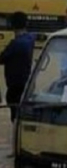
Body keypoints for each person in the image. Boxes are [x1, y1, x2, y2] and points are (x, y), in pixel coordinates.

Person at [0, 12, 35, 157]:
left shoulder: (16, 44)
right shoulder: (30, 39)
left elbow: (1, 58)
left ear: (13, 26)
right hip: (26, 83)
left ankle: (16, 149)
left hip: (15, 85)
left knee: (15, 118)